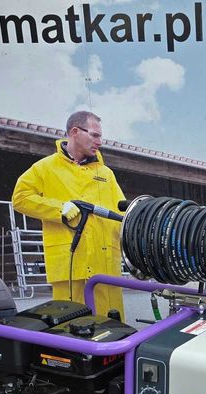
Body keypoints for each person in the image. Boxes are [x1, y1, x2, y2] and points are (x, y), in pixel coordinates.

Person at [12, 110, 125, 316]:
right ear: (75, 132)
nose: (99, 142)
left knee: (113, 326)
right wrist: (59, 208)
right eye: (94, 135)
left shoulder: (105, 174)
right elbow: (20, 199)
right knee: (70, 325)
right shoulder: (45, 168)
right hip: (70, 267)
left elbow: (121, 213)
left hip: (105, 266)